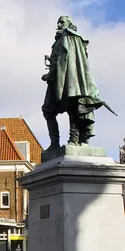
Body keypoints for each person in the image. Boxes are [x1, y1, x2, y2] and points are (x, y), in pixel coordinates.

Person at [41, 15, 113, 150]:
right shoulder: (60, 40)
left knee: (73, 106)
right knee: (48, 110)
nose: (59, 24)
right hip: (56, 80)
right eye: (58, 22)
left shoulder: (70, 38)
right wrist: (50, 73)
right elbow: (58, 62)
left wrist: (51, 73)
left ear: (69, 24)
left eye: (62, 22)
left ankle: (74, 139)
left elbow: (66, 62)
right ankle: (54, 143)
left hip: (70, 80)